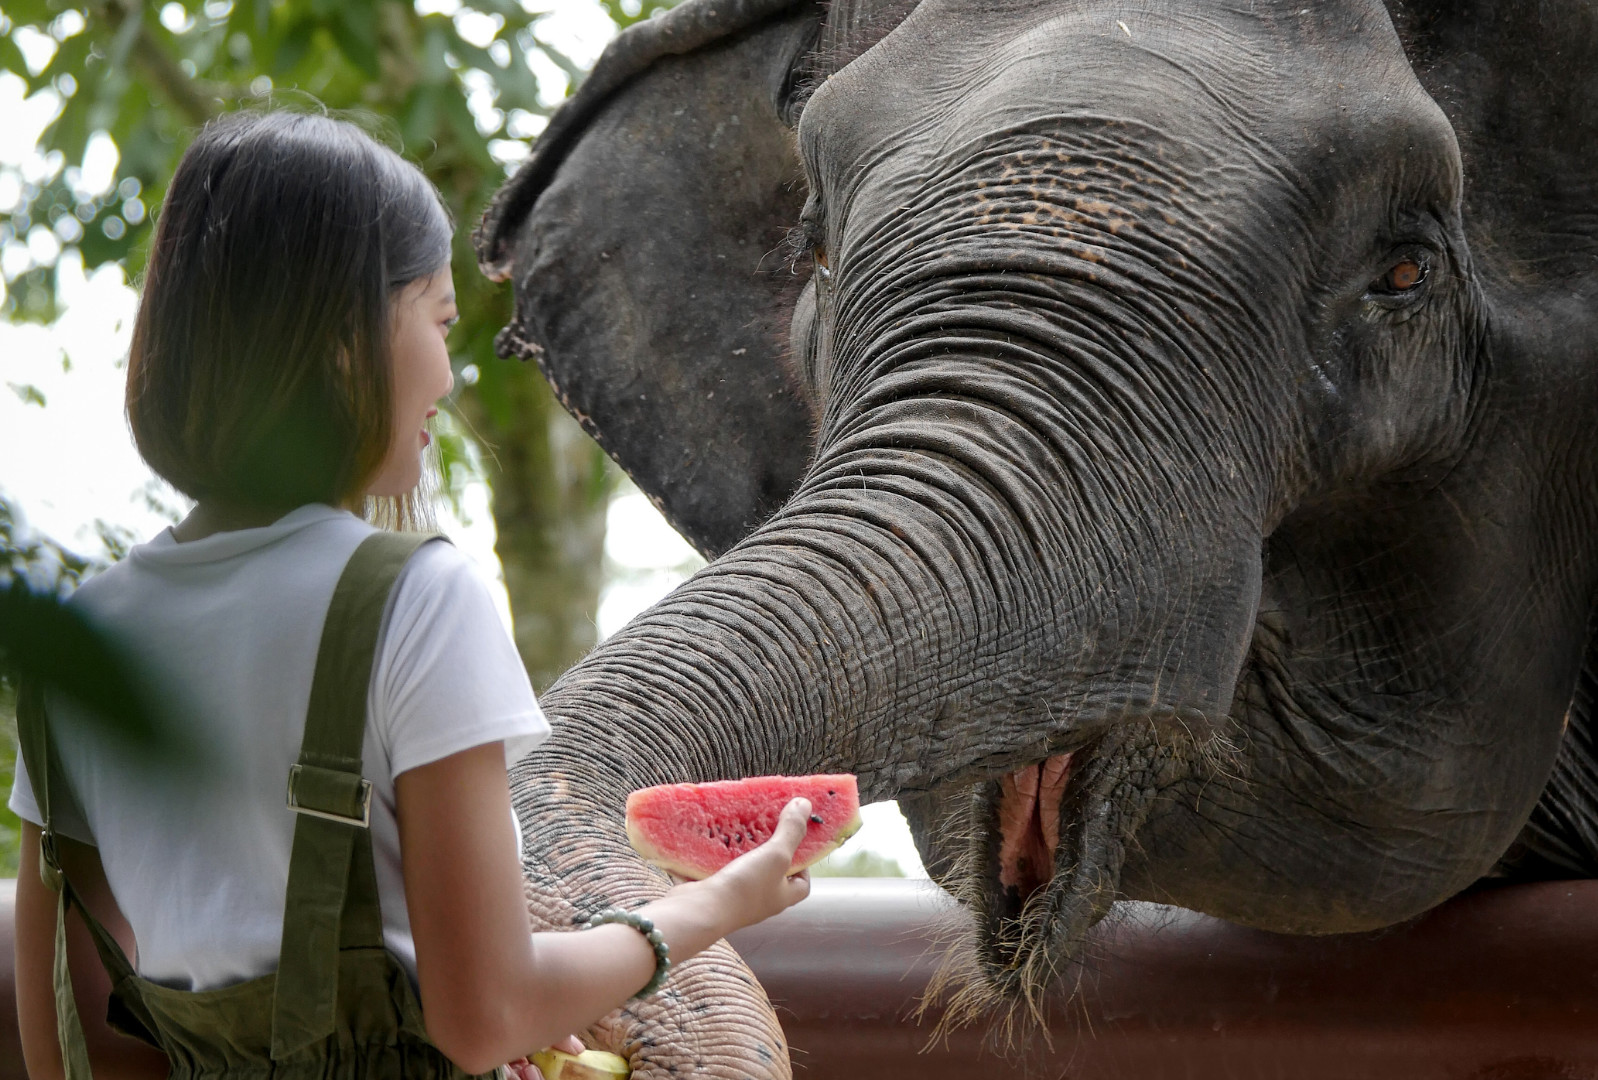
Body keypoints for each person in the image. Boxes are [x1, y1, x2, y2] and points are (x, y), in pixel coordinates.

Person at [9, 110, 814, 1080]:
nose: (445, 372)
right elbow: (483, 1015)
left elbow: (73, 1046)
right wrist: (717, 904)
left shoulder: (81, 642)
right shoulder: (413, 603)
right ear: (344, 344)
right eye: (435, 321)